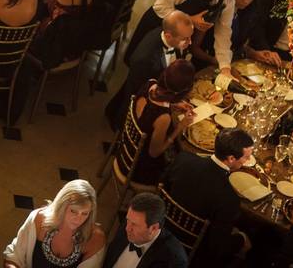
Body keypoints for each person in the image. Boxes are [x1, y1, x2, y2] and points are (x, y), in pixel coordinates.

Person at [126, 0, 249, 73]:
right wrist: (190, 19)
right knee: (138, 69)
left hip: (179, 40)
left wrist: (225, 67)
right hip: (157, 27)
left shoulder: (228, 1)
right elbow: (160, 6)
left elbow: (223, 34)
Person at [161, 128, 254, 266]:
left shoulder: (183, 158)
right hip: (190, 249)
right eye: (246, 157)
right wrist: (241, 239)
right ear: (231, 159)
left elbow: (163, 185)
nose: (247, 161)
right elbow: (216, 248)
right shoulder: (229, 200)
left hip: (161, 225)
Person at [104, 11, 194, 130]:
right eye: (185, 39)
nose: (190, 42)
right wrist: (173, 103)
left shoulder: (170, 37)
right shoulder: (144, 60)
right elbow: (141, 93)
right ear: (168, 36)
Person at [3, 179, 106, 268]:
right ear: (61, 205)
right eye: (73, 211)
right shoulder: (38, 219)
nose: (78, 219)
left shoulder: (95, 239)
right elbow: (14, 255)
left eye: (84, 213)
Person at [129, 60, 196, 186]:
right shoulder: (163, 118)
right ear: (180, 93)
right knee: (187, 169)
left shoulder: (151, 83)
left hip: (130, 144)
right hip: (140, 167)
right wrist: (180, 127)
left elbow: (154, 103)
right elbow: (154, 153)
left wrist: (174, 103)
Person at [104, 192, 188, 268]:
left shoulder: (174, 261)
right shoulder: (128, 225)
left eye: (134, 224)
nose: (127, 228)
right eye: (128, 220)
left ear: (154, 228)